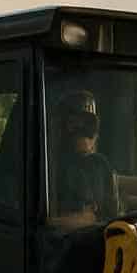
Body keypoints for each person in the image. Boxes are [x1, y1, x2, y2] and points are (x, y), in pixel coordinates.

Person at [50, 89, 117, 219]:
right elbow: (54, 223)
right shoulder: (51, 171)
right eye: (73, 123)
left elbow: (116, 204)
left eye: (90, 123)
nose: (83, 130)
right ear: (60, 128)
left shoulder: (99, 165)